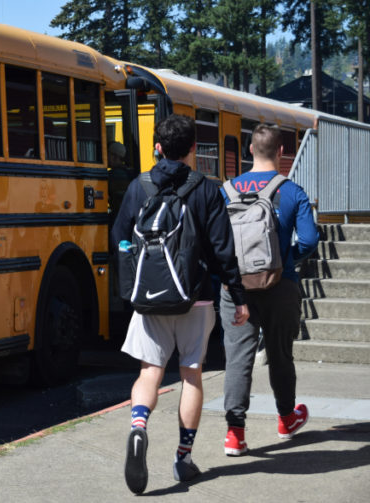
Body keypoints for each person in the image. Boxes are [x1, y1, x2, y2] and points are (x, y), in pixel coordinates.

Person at [110, 114, 250, 494]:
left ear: (158, 147)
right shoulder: (206, 189)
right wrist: (238, 297)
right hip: (197, 297)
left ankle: (138, 426)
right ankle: (183, 458)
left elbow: (120, 237)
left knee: (149, 372)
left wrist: (134, 283)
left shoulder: (139, 187)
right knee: (191, 374)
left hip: (150, 298)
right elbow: (224, 250)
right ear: (192, 150)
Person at [220, 124, 319, 456]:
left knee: (237, 360)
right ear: (281, 153)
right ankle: (287, 418)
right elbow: (308, 240)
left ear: (249, 150)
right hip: (281, 285)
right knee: (280, 355)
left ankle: (235, 435)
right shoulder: (292, 192)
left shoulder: (225, 191)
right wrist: (285, 260)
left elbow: (214, 242)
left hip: (236, 291)